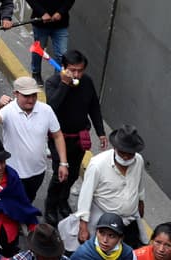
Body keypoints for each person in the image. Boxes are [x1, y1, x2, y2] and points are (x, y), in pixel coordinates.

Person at [43, 49, 106, 224]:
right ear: (64, 68)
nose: (76, 74)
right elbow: (52, 107)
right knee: (59, 174)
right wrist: (65, 84)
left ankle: (63, 200)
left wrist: (100, 132)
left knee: (72, 175)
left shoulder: (87, 82)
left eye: (80, 70)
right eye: (73, 70)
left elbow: (94, 107)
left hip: (79, 137)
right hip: (59, 138)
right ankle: (50, 205)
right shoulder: (53, 82)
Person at [0, 76, 65, 203]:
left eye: (34, 95)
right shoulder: (8, 110)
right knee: (11, 202)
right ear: (16, 94)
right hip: (12, 172)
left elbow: (58, 135)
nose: (31, 99)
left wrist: (63, 163)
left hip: (38, 172)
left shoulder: (46, 110)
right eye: (26, 96)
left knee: (28, 200)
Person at [76, 125, 147, 247]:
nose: (125, 157)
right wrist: (83, 226)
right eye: (122, 152)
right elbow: (86, 195)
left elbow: (139, 184)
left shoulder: (139, 161)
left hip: (129, 220)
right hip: (104, 221)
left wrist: (141, 202)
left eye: (129, 154)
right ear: (115, 147)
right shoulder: (97, 165)